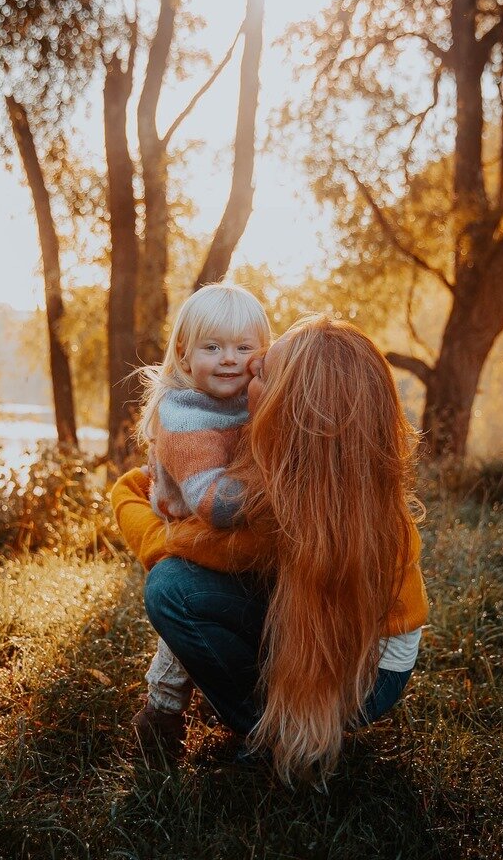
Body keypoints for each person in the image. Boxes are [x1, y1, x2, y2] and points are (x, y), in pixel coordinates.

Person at [112, 315, 428, 782]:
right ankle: (291, 717)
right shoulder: (344, 466)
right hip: (382, 662)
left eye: (260, 372)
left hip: (367, 682)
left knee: (173, 588)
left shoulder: (272, 507)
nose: (245, 369)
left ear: (290, 406)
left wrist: (124, 494)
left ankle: (271, 731)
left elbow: (182, 547)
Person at [130, 283, 271, 746]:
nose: (229, 358)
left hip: (233, 520)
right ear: (186, 356)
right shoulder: (185, 415)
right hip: (194, 525)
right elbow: (217, 504)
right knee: (183, 607)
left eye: (243, 347)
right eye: (213, 348)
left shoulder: (249, 396)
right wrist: (283, 480)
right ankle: (162, 712)